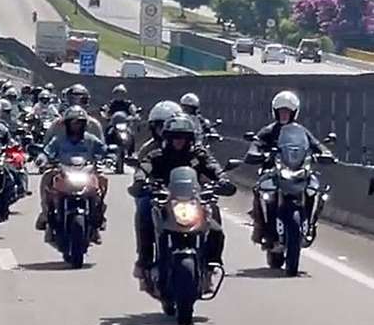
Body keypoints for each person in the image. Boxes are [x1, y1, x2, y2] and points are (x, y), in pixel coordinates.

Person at [131, 114, 235, 286]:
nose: (179, 141)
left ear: (190, 139)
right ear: (167, 138)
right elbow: (144, 167)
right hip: (165, 201)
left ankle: (210, 266)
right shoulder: (157, 156)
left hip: (193, 200)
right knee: (144, 210)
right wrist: (140, 180)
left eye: (183, 137)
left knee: (215, 225)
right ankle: (145, 262)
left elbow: (213, 166)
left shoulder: (198, 155)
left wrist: (223, 181)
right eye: (175, 137)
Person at [244, 90, 333, 244]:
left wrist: (325, 153)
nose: (284, 115)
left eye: (287, 112)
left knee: (315, 190)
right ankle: (261, 228)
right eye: (281, 112)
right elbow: (256, 143)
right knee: (260, 190)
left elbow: (316, 144)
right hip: (273, 171)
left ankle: (311, 223)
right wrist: (255, 153)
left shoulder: (301, 131)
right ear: (275, 112)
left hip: (298, 169)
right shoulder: (269, 130)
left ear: (294, 113)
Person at [34, 106, 108, 243]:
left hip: (86, 171)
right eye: (73, 122)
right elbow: (47, 151)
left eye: (79, 122)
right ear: (67, 124)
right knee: (47, 176)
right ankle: (46, 215)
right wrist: (42, 158)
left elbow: (104, 149)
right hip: (63, 171)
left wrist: (111, 154)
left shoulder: (90, 139)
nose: (76, 125)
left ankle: (98, 217)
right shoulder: (58, 139)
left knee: (103, 179)